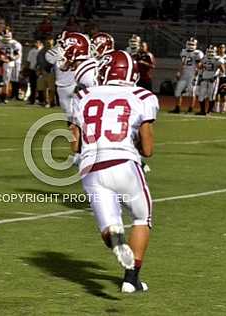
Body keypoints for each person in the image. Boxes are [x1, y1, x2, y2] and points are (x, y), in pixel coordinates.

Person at [70, 50, 159, 293]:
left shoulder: (83, 95)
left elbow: (75, 143)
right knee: (142, 217)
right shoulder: (143, 96)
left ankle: (119, 245)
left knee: (110, 227)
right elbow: (148, 149)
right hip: (124, 162)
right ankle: (131, 279)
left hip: (90, 168)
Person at [170, 37, 203, 114]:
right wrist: (179, 72)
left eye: (192, 44)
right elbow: (182, 64)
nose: (191, 45)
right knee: (178, 91)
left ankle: (190, 108)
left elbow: (198, 66)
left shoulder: (197, 53)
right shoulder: (183, 52)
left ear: (195, 45)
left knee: (192, 92)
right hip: (184, 74)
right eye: (189, 44)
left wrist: (196, 76)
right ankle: (177, 108)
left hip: (192, 75)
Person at [196, 45, 223, 115]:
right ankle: (202, 111)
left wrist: (216, 76)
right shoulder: (204, 58)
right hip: (204, 78)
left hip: (213, 79)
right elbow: (200, 67)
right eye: (209, 51)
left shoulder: (218, 59)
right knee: (201, 95)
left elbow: (223, 70)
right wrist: (200, 68)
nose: (210, 53)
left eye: (211, 52)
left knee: (211, 95)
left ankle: (209, 111)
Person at [215, 43, 226, 113]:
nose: (222, 49)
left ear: (225, 49)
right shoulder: (215, 56)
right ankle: (216, 108)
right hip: (216, 76)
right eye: (220, 47)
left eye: (223, 47)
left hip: (223, 76)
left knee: (224, 93)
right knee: (216, 93)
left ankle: (223, 108)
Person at [26, 39, 43, 105]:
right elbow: (28, 61)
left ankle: (41, 100)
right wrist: (26, 68)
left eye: (37, 42)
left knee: (40, 86)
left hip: (40, 70)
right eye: (35, 42)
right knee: (32, 85)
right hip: (32, 69)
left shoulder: (42, 51)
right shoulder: (31, 51)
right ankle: (32, 100)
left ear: (40, 43)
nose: (36, 44)